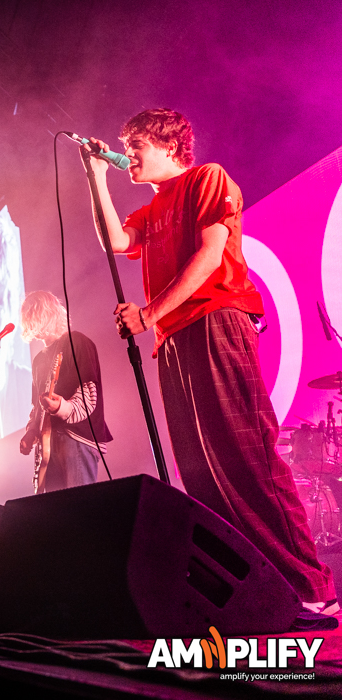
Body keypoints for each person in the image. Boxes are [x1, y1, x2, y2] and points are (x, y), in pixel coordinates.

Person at [83, 107, 336, 613]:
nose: (127, 155)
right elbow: (115, 241)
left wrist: (148, 313)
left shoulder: (206, 179)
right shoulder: (151, 210)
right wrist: (96, 178)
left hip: (216, 320)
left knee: (248, 458)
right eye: (125, 147)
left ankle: (312, 589)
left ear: (169, 146)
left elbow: (210, 254)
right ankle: (252, 591)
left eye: (136, 145)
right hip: (173, 338)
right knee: (199, 472)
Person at [18, 291, 112, 492]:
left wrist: (61, 407)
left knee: (77, 506)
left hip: (76, 438)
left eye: (35, 314)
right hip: (48, 443)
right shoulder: (38, 361)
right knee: (55, 509)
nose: (31, 323)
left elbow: (89, 394)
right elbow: (36, 408)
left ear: (48, 313)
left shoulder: (77, 342)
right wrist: (31, 432)